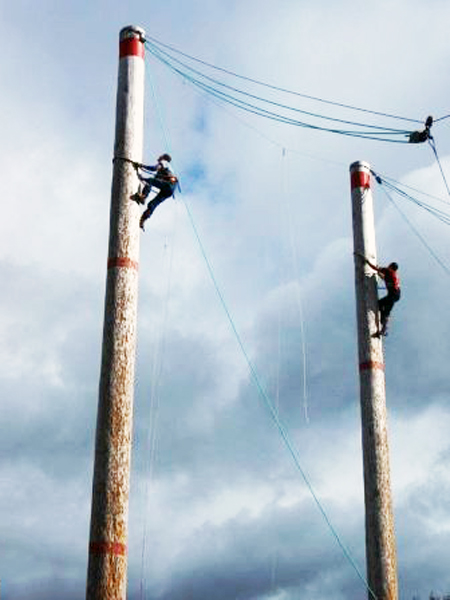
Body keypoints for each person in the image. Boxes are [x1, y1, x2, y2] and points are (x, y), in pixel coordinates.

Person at [131, 153, 178, 230]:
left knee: (150, 181)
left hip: (169, 184)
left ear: (164, 158)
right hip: (170, 190)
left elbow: (154, 168)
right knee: (153, 204)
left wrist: (141, 166)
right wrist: (144, 179)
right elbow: (153, 182)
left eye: (161, 156)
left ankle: (143, 197)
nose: (158, 157)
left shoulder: (164, 163)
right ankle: (143, 220)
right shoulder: (166, 170)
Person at [359, 255, 401, 335]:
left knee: (380, 304)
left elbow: (376, 268)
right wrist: (378, 273)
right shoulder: (392, 275)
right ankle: (383, 325)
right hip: (396, 295)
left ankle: (383, 323)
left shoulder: (389, 272)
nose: (388, 266)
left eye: (389, 266)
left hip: (393, 295)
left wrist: (367, 262)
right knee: (385, 311)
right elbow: (383, 277)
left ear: (391, 267)